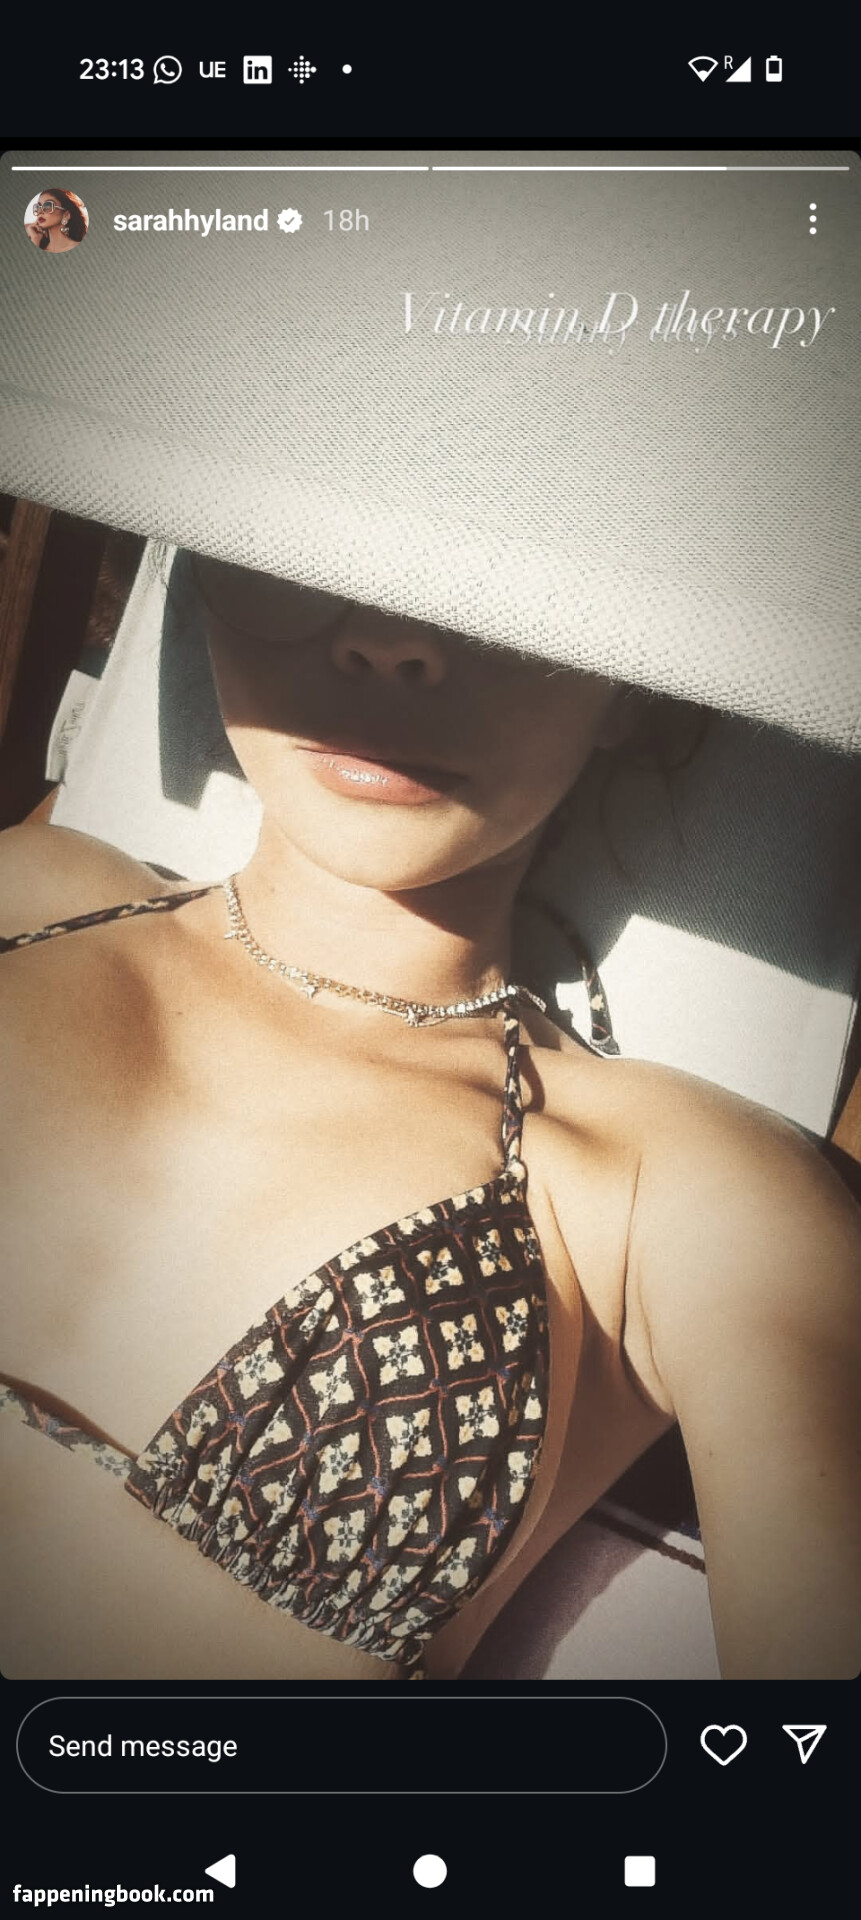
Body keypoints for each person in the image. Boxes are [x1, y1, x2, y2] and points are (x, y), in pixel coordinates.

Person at [1, 553, 859, 1683]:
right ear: (202, 566)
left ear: (632, 680)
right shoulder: (24, 894)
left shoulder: (679, 1185)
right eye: (318, 548)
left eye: (509, 578)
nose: (393, 637)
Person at [25, 188, 88, 253]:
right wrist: (35, 239)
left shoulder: (83, 249)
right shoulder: (36, 242)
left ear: (66, 214)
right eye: (37, 207)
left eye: (47, 206)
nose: (39, 212)